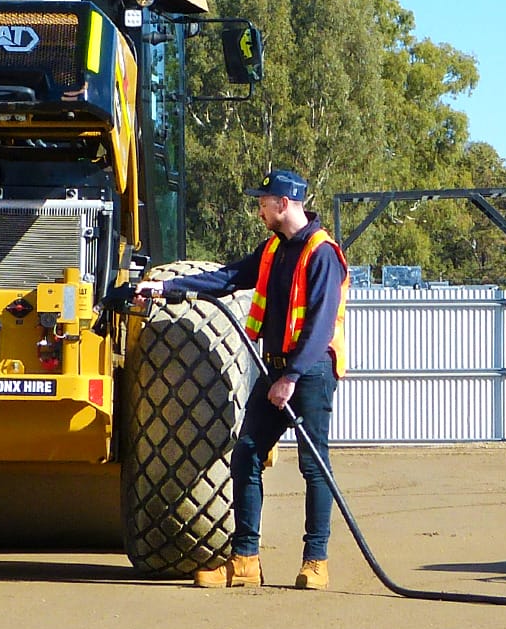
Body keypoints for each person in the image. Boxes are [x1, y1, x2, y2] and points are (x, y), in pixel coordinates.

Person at [133, 169, 348, 590]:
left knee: (314, 465)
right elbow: (227, 278)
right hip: (274, 369)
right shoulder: (273, 249)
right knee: (246, 454)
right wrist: (166, 289)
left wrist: (292, 376)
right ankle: (245, 560)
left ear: (284, 203)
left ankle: (315, 561)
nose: (259, 210)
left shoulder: (322, 253)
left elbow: (321, 325)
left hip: (309, 372)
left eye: (264, 203)